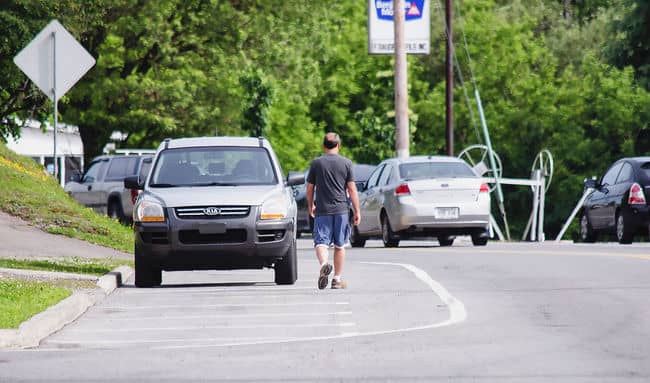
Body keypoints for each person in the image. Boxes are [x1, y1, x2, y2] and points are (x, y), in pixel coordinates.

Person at [306, 132, 361, 289]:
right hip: (341, 210)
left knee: (321, 242)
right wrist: (357, 211)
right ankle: (336, 279)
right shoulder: (346, 163)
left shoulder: (316, 163)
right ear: (339, 145)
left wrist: (311, 205)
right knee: (339, 245)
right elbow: (352, 189)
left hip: (322, 210)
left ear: (323, 146)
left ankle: (324, 264)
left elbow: (310, 189)